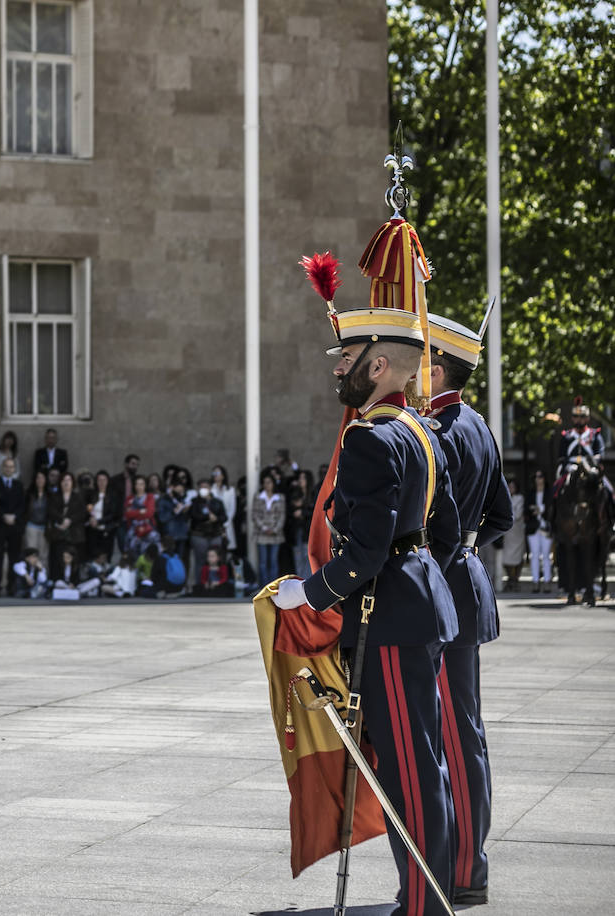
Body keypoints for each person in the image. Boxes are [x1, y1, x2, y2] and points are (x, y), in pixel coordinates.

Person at [273, 264, 462, 915]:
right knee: (423, 765)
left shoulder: (370, 440)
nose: (338, 370)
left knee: (409, 773)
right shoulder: (420, 432)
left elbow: (369, 550)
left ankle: (423, 907)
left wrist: (314, 593)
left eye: (348, 359)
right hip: (417, 609)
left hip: (387, 620)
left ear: (379, 366)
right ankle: (424, 897)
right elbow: (448, 531)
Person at [423, 311, 515, 905]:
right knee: (467, 731)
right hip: (468, 582)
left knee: (455, 736)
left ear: (437, 367)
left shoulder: (441, 432)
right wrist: (468, 547)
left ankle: (464, 870)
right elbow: (501, 515)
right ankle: (467, 862)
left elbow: (435, 522)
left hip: (446, 592)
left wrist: (450, 551)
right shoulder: (478, 425)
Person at [0, 457, 25, 597]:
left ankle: (12, 586)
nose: (8, 469)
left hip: (15, 526)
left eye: (11, 467)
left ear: (14, 469)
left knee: (14, 557)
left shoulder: (19, 484)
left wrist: (14, 516)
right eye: (6, 466)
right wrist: (3, 515)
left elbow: (22, 504)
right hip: (0, 524)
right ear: (2, 468)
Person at [46, 472, 87, 580]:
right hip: (58, 533)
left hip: (74, 534)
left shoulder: (78, 497)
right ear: (60, 482)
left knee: (74, 558)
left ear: (73, 482)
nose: (66, 482)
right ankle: (56, 581)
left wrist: (70, 520)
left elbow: (82, 513)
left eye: (69, 480)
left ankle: (74, 582)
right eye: (64, 480)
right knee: (57, 558)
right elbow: (51, 511)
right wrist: (62, 520)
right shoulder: (55, 496)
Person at [186, 478, 227, 585]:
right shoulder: (195, 502)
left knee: (216, 561)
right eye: (201, 487)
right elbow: (193, 515)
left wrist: (216, 518)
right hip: (199, 535)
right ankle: (200, 585)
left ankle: (217, 584)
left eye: (206, 487)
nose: (203, 489)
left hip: (215, 534)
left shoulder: (217, 502)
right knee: (200, 560)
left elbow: (224, 517)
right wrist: (206, 517)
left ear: (210, 488)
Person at [250, 474, 285, 587]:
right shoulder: (258, 496)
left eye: (269, 482)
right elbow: (255, 514)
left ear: (273, 484)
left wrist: (275, 528)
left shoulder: (280, 497)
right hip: (262, 533)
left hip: (276, 534)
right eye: (265, 482)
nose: (267, 485)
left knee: (273, 561)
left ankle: (273, 587)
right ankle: (264, 587)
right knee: (263, 563)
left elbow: (282, 515)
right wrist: (264, 527)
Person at [525, 469, 553, 592]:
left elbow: (552, 508)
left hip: (546, 527)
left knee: (546, 556)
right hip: (533, 528)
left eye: (540, 476)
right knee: (534, 556)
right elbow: (526, 510)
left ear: (544, 478)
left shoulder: (549, 492)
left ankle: (547, 581)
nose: (538, 479)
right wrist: (535, 510)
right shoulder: (531, 493)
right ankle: (535, 581)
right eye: (536, 477)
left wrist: (539, 509)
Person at [85, 470, 122, 564]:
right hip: (93, 528)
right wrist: (91, 518)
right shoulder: (91, 494)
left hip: (107, 529)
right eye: (99, 480)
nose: (101, 482)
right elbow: (87, 509)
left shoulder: (113, 495)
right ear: (96, 482)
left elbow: (114, 514)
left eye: (104, 480)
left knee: (106, 554)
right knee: (93, 554)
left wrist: (99, 521)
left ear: (108, 481)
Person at [22, 470, 51, 573]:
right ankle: (30, 577)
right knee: (31, 554)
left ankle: (43, 578)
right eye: (38, 478)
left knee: (43, 554)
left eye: (42, 478)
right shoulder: (29, 493)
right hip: (31, 526)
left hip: (44, 527)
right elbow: (24, 509)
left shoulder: (49, 494)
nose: (40, 480)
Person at [500, 477, 526, 591]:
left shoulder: (519, 498)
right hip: (507, 532)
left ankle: (515, 579)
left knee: (518, 557)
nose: (510, 489)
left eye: (512, 487)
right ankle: (510, 579)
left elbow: (518, 514)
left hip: (517, 531)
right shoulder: (504, 497)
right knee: (506, 558)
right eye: (509, 487)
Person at [211, 465, 238, 549]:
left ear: (223, 475)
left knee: (227, 547)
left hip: (227, 524)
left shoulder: (230, 490)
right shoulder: (211, 489)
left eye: (218, 473)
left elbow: (232, 509)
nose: (215, 474)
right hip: (214, 524)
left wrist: (226, 523)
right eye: (214, 473)